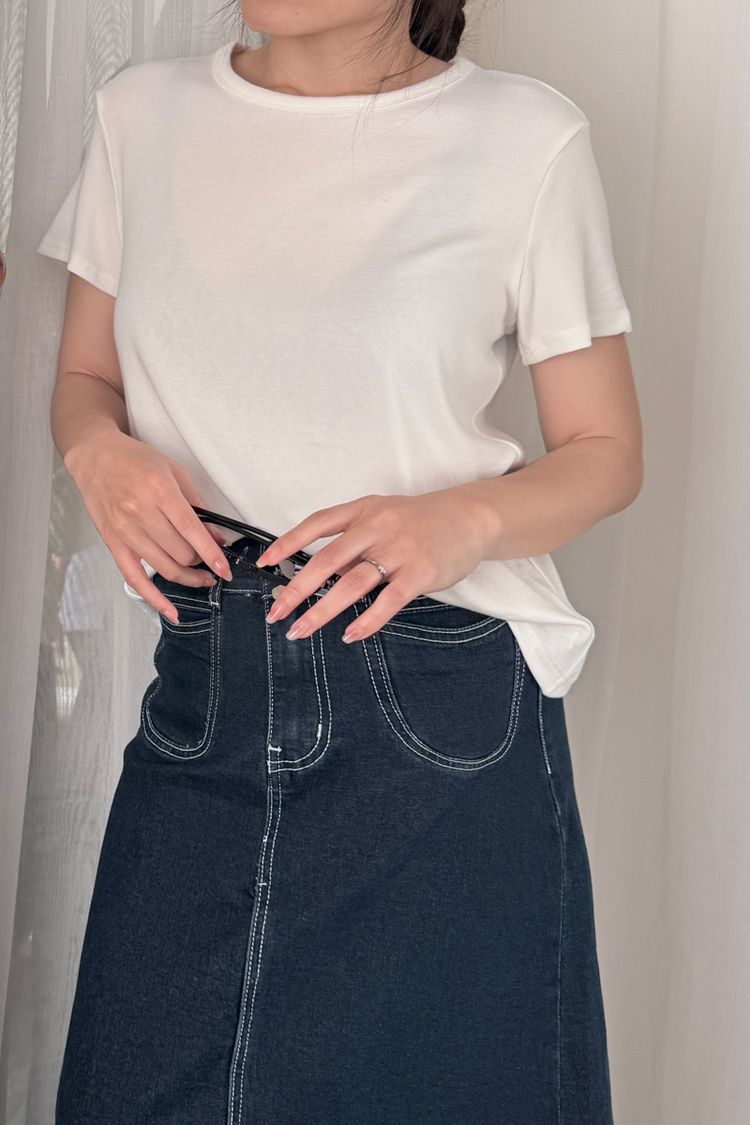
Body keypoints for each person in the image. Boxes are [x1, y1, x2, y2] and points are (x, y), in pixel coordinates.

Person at [37, 1, 642, 1121]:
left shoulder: (526, 139)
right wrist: (98, 452)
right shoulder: (142, 116)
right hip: (207, 692)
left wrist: (461, 521)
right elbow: (86, 378)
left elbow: (606, 452)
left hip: (435, 703)